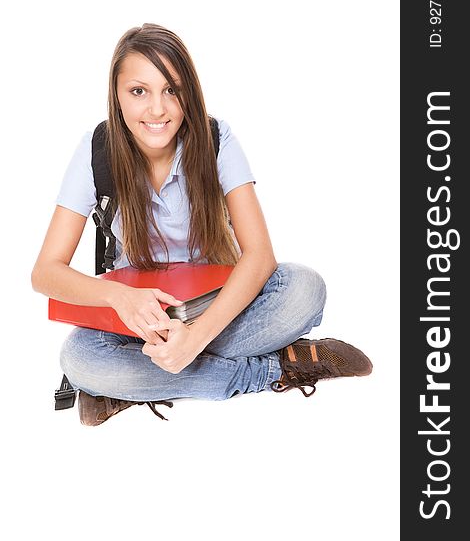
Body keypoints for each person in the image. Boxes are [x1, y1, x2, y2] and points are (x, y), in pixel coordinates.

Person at [31, 23, 372, 426]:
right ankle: (274, 369)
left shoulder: (216, 139)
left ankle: (131, 385)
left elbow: (260, 257)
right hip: (144, 321)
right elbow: (45, 273)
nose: (157, 109)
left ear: (188, 94)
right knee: (79, 358)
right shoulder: (96, 150)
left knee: (304, 288)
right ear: (117, 95)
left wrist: (196, 337)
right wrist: (120, 298)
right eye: (138, 91)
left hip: (220, 306)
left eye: (171, 90)